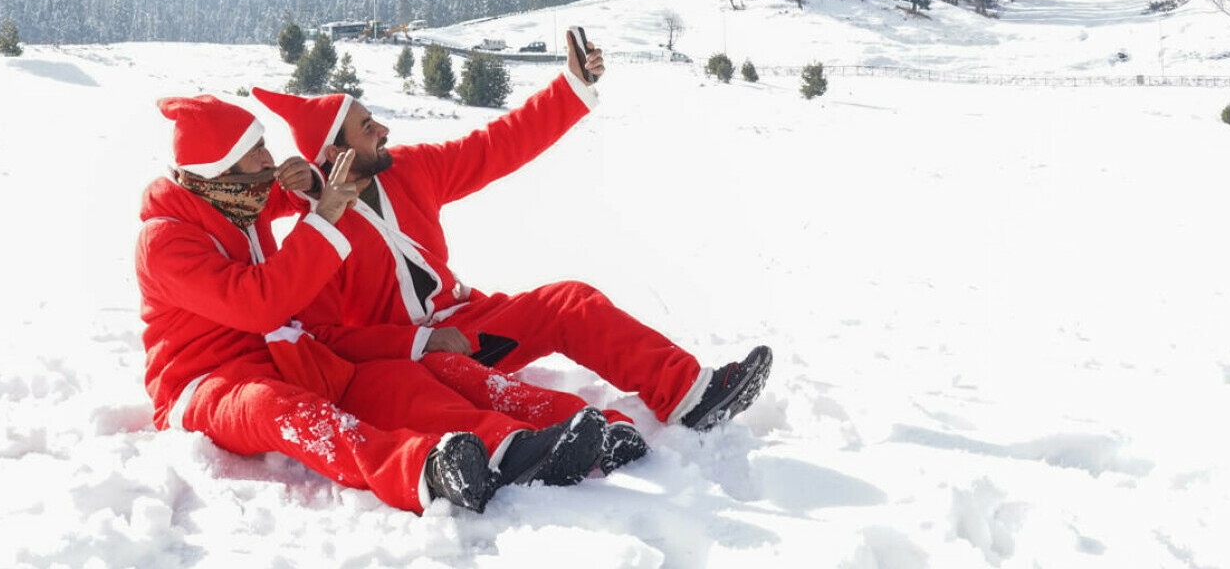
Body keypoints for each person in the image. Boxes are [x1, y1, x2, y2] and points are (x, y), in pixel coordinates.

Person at [252, 34, 771, 471]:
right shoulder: (314, 238)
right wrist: (420, 343)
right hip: (414, 357)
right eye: (368, 129)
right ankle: (586, 436)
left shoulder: (412, 169)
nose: (384, 129)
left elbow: (498, 145)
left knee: (569, 301)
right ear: (335, 155)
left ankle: (691, 394)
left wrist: (570, 87)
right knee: (460, 382)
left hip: (473, 320)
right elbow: (326, 339)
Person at [136, 94, 605, 515]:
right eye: (256, 154)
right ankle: (426, 472)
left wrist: (313, 177)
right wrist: (322, 220)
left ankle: (509, 448)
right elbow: (258, 303)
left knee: (391, 376)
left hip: (281, 354)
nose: (270, 160)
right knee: (282, 409)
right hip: (203, 382)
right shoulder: (164, 240)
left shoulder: (237, 199)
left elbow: (287, 189)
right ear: (221, 172)